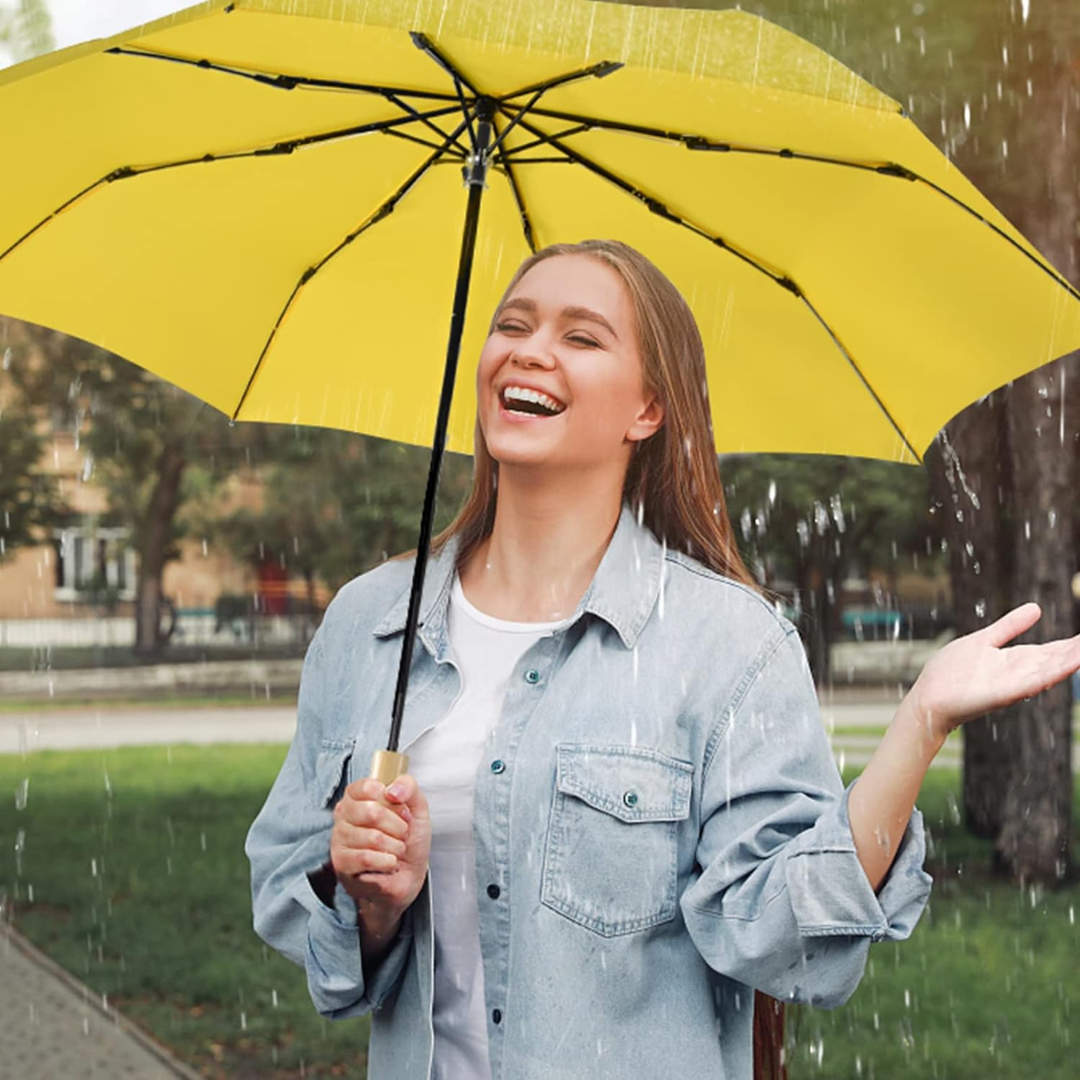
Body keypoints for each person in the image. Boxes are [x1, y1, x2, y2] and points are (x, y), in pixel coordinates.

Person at [245, 239, 1080, 1080]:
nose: (528, 350)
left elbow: (777, 934)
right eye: (512, 325)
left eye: (581, 336)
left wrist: (920, 723)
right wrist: (374, 904)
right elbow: (289, 891)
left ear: (647, 408)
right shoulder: (370, 624)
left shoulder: (728, 646)